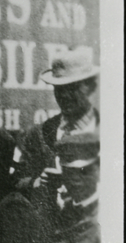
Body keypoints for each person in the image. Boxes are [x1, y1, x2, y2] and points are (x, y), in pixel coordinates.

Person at [16, 50, 99, 192]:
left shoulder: (110, 132)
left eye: (73, 88)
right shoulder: (40, 134)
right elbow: (17, 179)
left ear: (91, 87)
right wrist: (37, 182)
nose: (65, 95)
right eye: (59, 89)